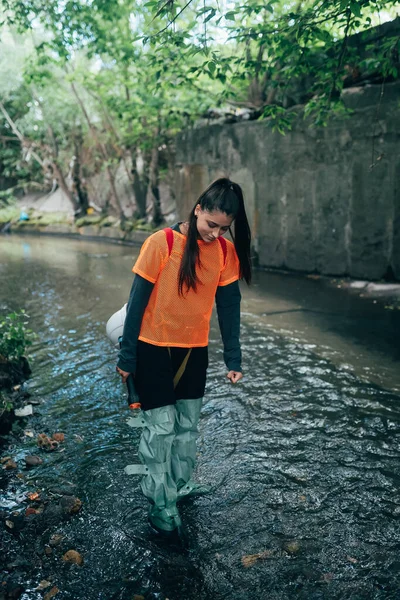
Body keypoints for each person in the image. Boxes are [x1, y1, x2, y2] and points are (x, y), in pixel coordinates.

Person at [116, 177, 252, 535]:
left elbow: (229, 306)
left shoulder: (224, 252)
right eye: (211, 225)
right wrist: (126, 357)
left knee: (187, 428)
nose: (215, 234)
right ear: (197, 210)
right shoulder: (162, 243)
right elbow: (136, 303)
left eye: (224, 229)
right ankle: (161, 503)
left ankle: (178, 487)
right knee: (160, 430)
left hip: (194, 352)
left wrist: (233, 358)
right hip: (153, 349)